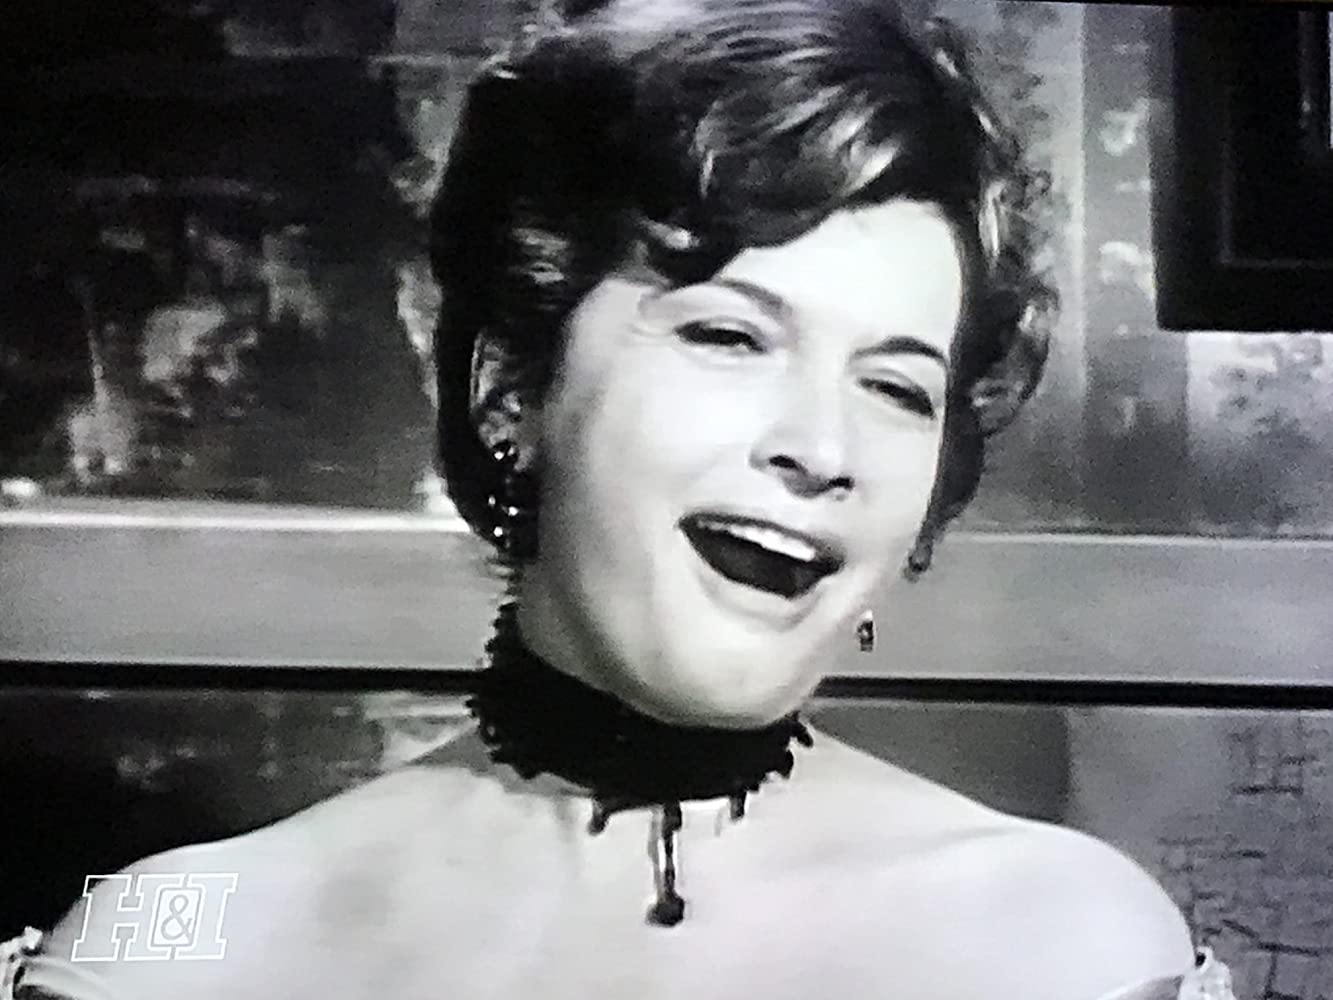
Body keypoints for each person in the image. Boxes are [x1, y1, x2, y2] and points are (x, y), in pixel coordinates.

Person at [6, 1, 1237, 997]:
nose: (823, 448)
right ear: (512, 383)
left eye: (896, 387)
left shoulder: (1061, 940)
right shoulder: (174, 938)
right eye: (728, 336)